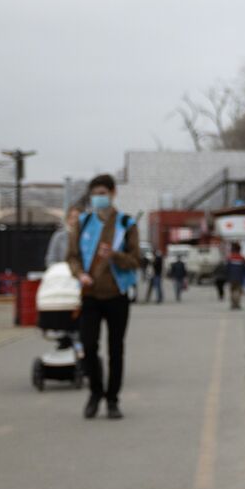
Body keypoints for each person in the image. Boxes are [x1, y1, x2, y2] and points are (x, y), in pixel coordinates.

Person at [66, 175, 140, 420]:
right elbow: (72, 256)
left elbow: (135, 260)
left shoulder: (126, 224)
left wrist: (115, 255)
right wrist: (79, 274)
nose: (98, 197)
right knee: (88, 346)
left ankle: (112, 399)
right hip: (90, 294)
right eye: (94, 193)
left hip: (117, 295)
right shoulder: (84, 222)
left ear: (112, 192)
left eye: (102, 192)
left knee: (116, 349)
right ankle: (95, 392)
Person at [224, 242, 245, 310]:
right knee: (238, 291)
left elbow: (227, 268)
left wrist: (226, 277)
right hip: (240, 278)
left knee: (232, 291)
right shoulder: (242, 258)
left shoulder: (229, 258)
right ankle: (237, 304)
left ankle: (233, 304)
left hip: (231, 277)